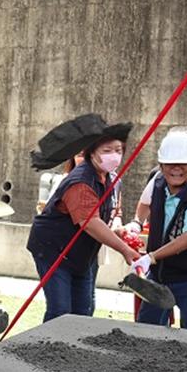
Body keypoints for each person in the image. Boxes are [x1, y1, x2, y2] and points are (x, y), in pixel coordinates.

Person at [27, 120, 140, 321]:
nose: (114, 155)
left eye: (118, 150)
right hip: (54, 250)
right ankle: (47, 348)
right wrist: (124, 249)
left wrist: (119, 232)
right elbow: (90, 223)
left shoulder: (110, 179)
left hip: (81, 255)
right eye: (107, 150)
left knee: (84, 310)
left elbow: (105, 217)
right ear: (92, 152)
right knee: (60, 310)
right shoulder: (80, 182)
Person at [133, 131, 187, 331]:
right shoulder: (157, 181)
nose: (176, 169)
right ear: (161, 166)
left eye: (184, 164)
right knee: (147, 330)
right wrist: (137, 223)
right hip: (160, 275)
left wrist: (151, 257)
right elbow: (145, 203)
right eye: (170, 164)